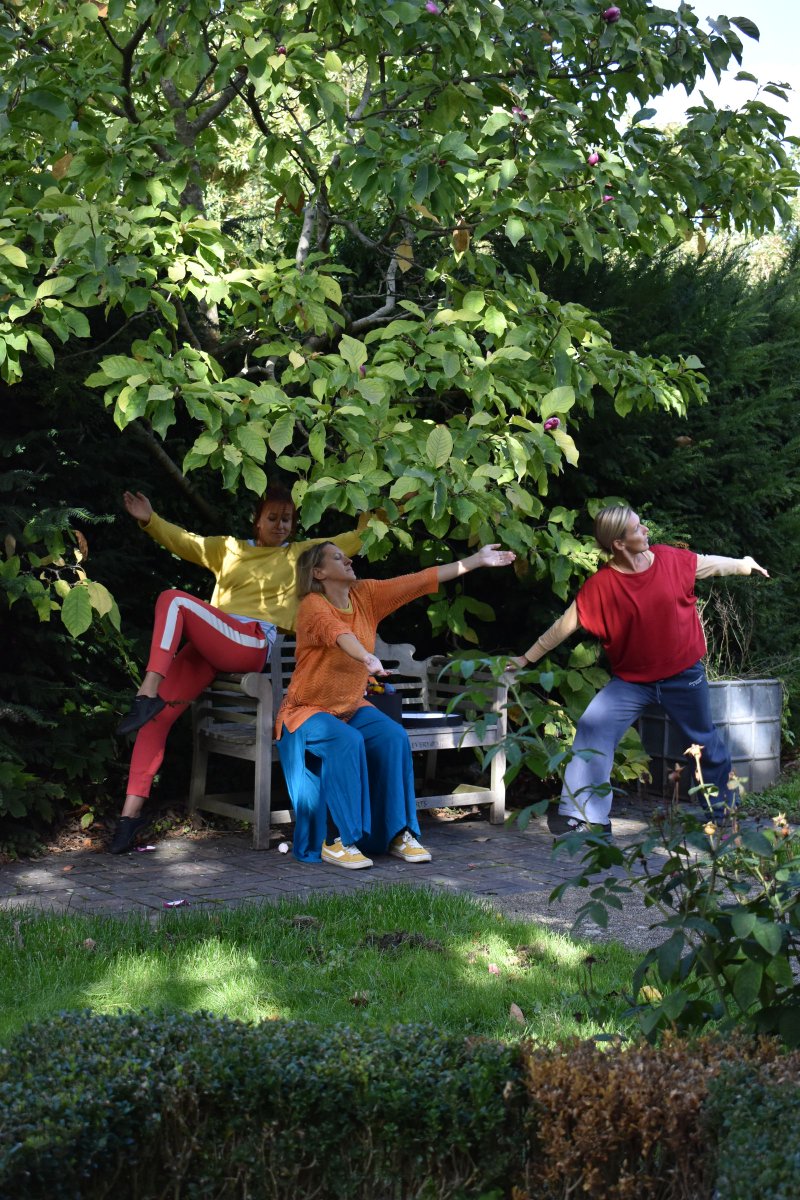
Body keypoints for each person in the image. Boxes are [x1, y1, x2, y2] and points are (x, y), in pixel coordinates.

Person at [110, 486, 368, 854]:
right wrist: (150, 520)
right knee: (155, 720)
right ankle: (128, 818)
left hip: (251, 642)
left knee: (173, 600)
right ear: (256, 519)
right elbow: (186, 542)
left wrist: (387, 509)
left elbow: (355, 539)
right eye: (272, 517)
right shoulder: (229, 549)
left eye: (287, 519)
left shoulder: (299, 554)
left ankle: (146, 691)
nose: (280, 525)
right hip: (214, 641)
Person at [512, 506, 769, 832]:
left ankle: (723, 816)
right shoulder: (601, 586)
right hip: (632, 682)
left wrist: (743, 565)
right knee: (593, 727)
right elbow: (564, 626)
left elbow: (708, 564)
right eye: (637, 528)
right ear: (619, 543)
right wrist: (525, 658)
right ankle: (585, 817)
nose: (645, 530)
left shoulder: (669, 560)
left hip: (683, 675)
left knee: (704, 743)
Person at [275, 540, 516, 868]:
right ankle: (337, 840)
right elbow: (337, 633)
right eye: (337, 557)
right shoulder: (312, 605)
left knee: (393, 737)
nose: (348, 560)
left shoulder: (366, 595)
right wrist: (366, 656)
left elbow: (419, 581)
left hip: (350, 706)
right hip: (305, 712)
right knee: (347, 741)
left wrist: (475, 560)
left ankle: (396, 833)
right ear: (318, 573)